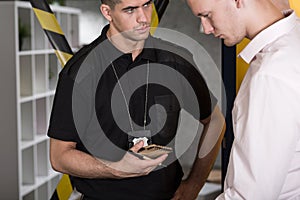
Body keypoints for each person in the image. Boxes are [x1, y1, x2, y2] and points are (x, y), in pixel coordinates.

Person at [48, 0, 225, 199]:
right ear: (108, 12)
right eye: (130, 10)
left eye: (147, 4)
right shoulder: (80, 72)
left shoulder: (176, 60)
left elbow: (215, 121)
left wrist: (193, 185)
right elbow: (59, 156)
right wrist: (115, 168)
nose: (143, 18)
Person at [187, 0, 300, 199]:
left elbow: (250, 196)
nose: (205, 28)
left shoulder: (271, 76)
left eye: (207, 15)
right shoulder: (293, 41)